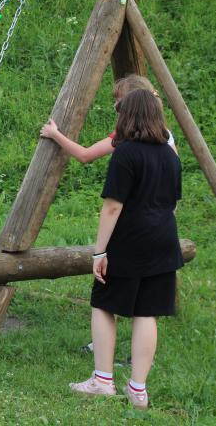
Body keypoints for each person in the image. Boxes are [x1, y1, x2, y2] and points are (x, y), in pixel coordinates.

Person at [69, 89, 183, 410]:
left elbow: (112, 207)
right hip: (165, 239)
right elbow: (173, 204)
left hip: (130, 239)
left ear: (128, 117)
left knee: (103, 304)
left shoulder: (126, 153)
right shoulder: (170, 155)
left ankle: (102, 381)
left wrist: (99, 252)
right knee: (147, 311)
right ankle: (138, 390)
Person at [39, 74, 177, 162]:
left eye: (118, 101)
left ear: (132, 105)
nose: (115, 106)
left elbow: (85, 155)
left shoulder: (127, 135)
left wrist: (54, 133)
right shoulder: (164, 133)